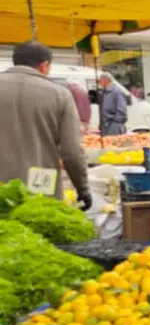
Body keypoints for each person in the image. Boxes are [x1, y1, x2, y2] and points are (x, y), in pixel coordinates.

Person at [0, 41, 91, 209]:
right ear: (44, 66)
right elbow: (72, 152)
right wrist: (83, 189)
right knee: (39, 224)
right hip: (40, 186)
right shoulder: (60, 95)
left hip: (2, 188)